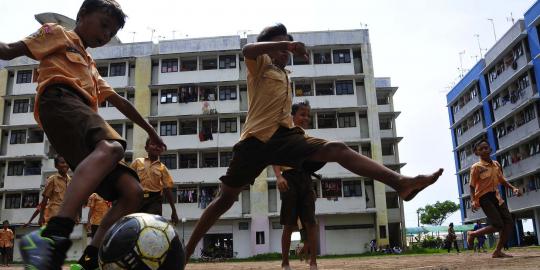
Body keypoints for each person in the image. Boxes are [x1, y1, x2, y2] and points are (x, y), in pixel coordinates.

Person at [184, 23, 443, 261]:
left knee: (337, 149)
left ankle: (401, 183)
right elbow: (247, 48)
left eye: (288, 45)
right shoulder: (260, 64)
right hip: (255, 142)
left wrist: (290, 50)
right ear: (271, 46)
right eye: (280, 44)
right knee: (225, 200)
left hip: (285, 136)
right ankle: (184, 254)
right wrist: (282, 45)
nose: (285, 50)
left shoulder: (285, 75)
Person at [0, 1, 167, 268]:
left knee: (132, 191)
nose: (104, 36)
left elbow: (120, 102)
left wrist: (151, 131)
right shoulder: (57, 33)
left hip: (77, 120)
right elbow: (8, 50)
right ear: (81, 16)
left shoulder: (90, 66)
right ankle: (55, 233)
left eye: (110, 33)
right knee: (113, 147)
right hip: (59, 101)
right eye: (103, 25)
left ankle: (91, 256)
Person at [274, 100, 321, 270]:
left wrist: (311, 188)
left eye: (308, 115)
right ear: (292, 116)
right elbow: (275, 156)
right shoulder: (285, 133)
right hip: (289, 178)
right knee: (288, 223)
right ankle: (285, 262)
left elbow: (309, 164)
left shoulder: (306, 138)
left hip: (306, 179)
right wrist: (279, 176)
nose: (305, 118)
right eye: (302, 114)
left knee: (311, 223)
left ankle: (313, 262)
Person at [466, 139, 521, 258]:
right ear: (477, 153)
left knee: (509, 223)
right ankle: (473, 234)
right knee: (498, 224)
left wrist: (513, 188)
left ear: (490, 149)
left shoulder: (496, 164)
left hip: (496, 197)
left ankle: (498, 251)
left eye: (486, 148)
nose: (484, 150)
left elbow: (502, 180)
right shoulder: (476, 167)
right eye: (481, 149)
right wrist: (473, 200)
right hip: (484, 198)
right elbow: (471, 186)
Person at [130, 138, 179, 224]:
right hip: (137, 199)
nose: (156, 147)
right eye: (153, 144)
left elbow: (167, 189)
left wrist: (174, 211)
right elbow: (129, 181)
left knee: (152, 224)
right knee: (136, 224)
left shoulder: (162, 168)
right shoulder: (137, 162)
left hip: (154, 200)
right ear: (146, 148)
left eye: (159, 146)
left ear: (161, 150)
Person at [24, 156, 71, 227]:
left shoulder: (70, 180)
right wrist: (40, 217)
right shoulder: (52, 180)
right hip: (53, 217)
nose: (65, 164)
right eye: (62, 163)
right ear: (56, 166)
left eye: (67, 162)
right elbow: (44, 200)